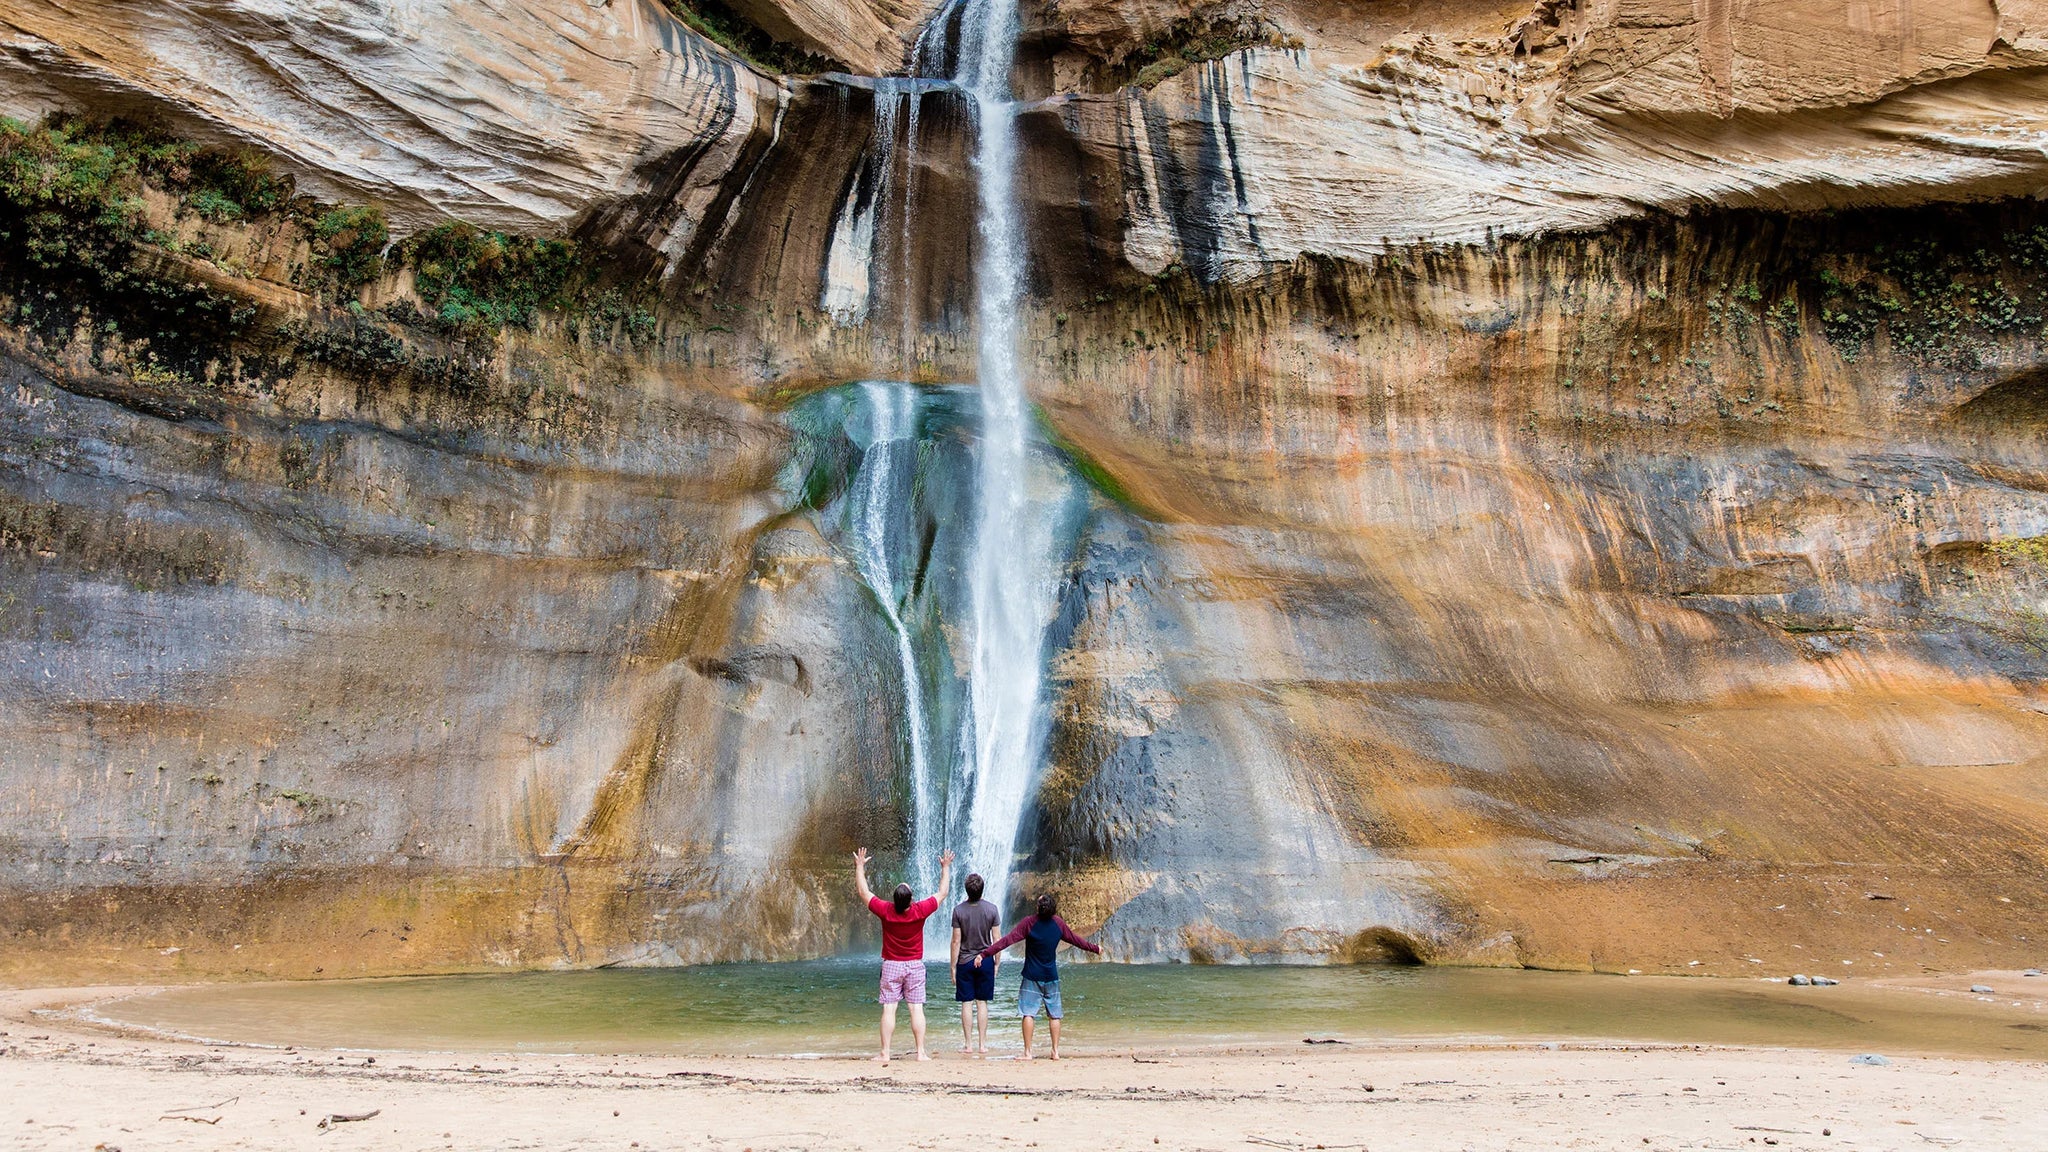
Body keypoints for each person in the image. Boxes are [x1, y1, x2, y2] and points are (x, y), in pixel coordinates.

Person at [974, 892, 1103, 1060]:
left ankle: (1028, 1052)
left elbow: (1006, 941)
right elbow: (1077, 940)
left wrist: (984, 955)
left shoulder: (1029, 923)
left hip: (1031, 976)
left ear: (1038, 908)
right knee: (1054, 1015)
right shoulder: (1058, 924)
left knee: (1028, 1013)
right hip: (1051, 976)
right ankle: (1055, 1052)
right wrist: (1095, 948)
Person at [854, 846, 952, 1064]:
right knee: (916, 1009)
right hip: (915, 966)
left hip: (891, 966)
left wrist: (860, 867)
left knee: (889, 1009)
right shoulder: (919, 911)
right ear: (911, 899)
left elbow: (863, 892)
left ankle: (885, 1053)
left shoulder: (886, 910)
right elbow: (943, 892)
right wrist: (945, 867)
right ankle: (920, 1053)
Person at [949, 872, 1001, 1056]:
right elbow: (996, 939)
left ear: (966, 890)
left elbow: (956, 941)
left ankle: (968, 1045)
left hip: (965, 961)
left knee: (966, 1003)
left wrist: (953, 966)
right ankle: (982, 1045)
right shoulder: (992, 909)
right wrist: (996, 962)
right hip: (985, 960)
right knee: (982, 1003)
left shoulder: (958, 910)